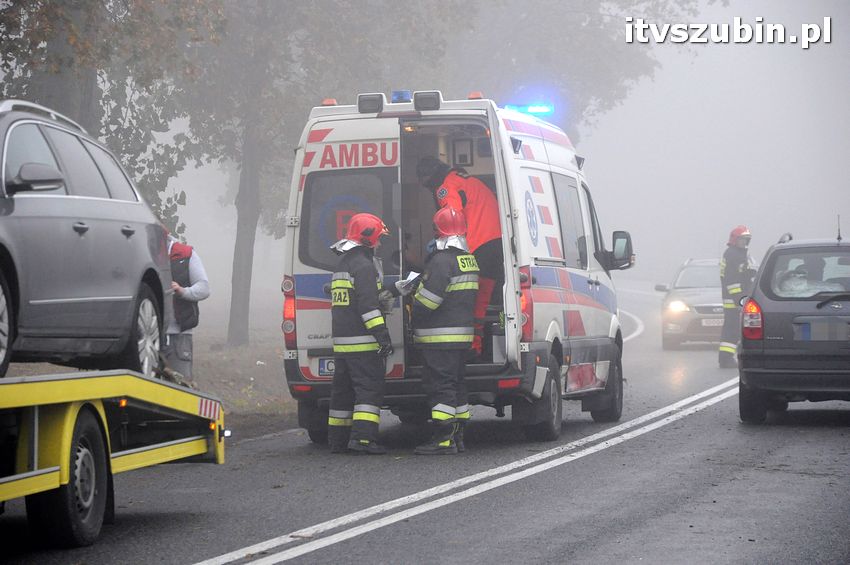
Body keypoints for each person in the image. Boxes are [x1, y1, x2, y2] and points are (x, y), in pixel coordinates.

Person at [416, 156, 502, 359]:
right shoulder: (463, 179)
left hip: (479, 242)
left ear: (428, 177)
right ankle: (476, 346)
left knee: (464, 300)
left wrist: (440, 243)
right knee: (480, 299)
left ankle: (469, 347)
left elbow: (452, 215)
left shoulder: (445, 187)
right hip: (495, 243)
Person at [411, 207, 479, 455]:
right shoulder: (467, 258)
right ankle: (458, 436)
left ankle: (442, 439)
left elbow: (429, 302)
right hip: (461, 337)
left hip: (439, 338)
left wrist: (413, 304)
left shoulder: (441, 261)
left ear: (438, 230)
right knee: (457, 385)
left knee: (441, 387)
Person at [328, 213, 394, 454]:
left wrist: (392, 290)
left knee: (342, 394)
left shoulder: (343, 265)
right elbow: (368, 307)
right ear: (369, 239)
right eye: (379, 238)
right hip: (363, 344)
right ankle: (363, 440)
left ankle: (337, 440)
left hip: (343, 344)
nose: (380, 243)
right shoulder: (364, 267)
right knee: (368, 391)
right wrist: (382, 336)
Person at [164, 235, 210, 381]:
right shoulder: (141, 251)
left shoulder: (185, 253)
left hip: (179, 334)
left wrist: (182, 291)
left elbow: (204, 288)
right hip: (147, 337)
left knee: (181, 386)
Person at [719, 225, 755, 368]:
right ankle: (725, 359)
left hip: (737, 298)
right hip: (733, 300)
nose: (744, 243)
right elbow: (732, 280)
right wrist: (740, 301)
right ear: (734, 240)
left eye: (746, 240)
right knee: (732, 329)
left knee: (733, 328)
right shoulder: (733, 254)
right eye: (742, 240)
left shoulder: (739, 254)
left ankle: (726, 358)